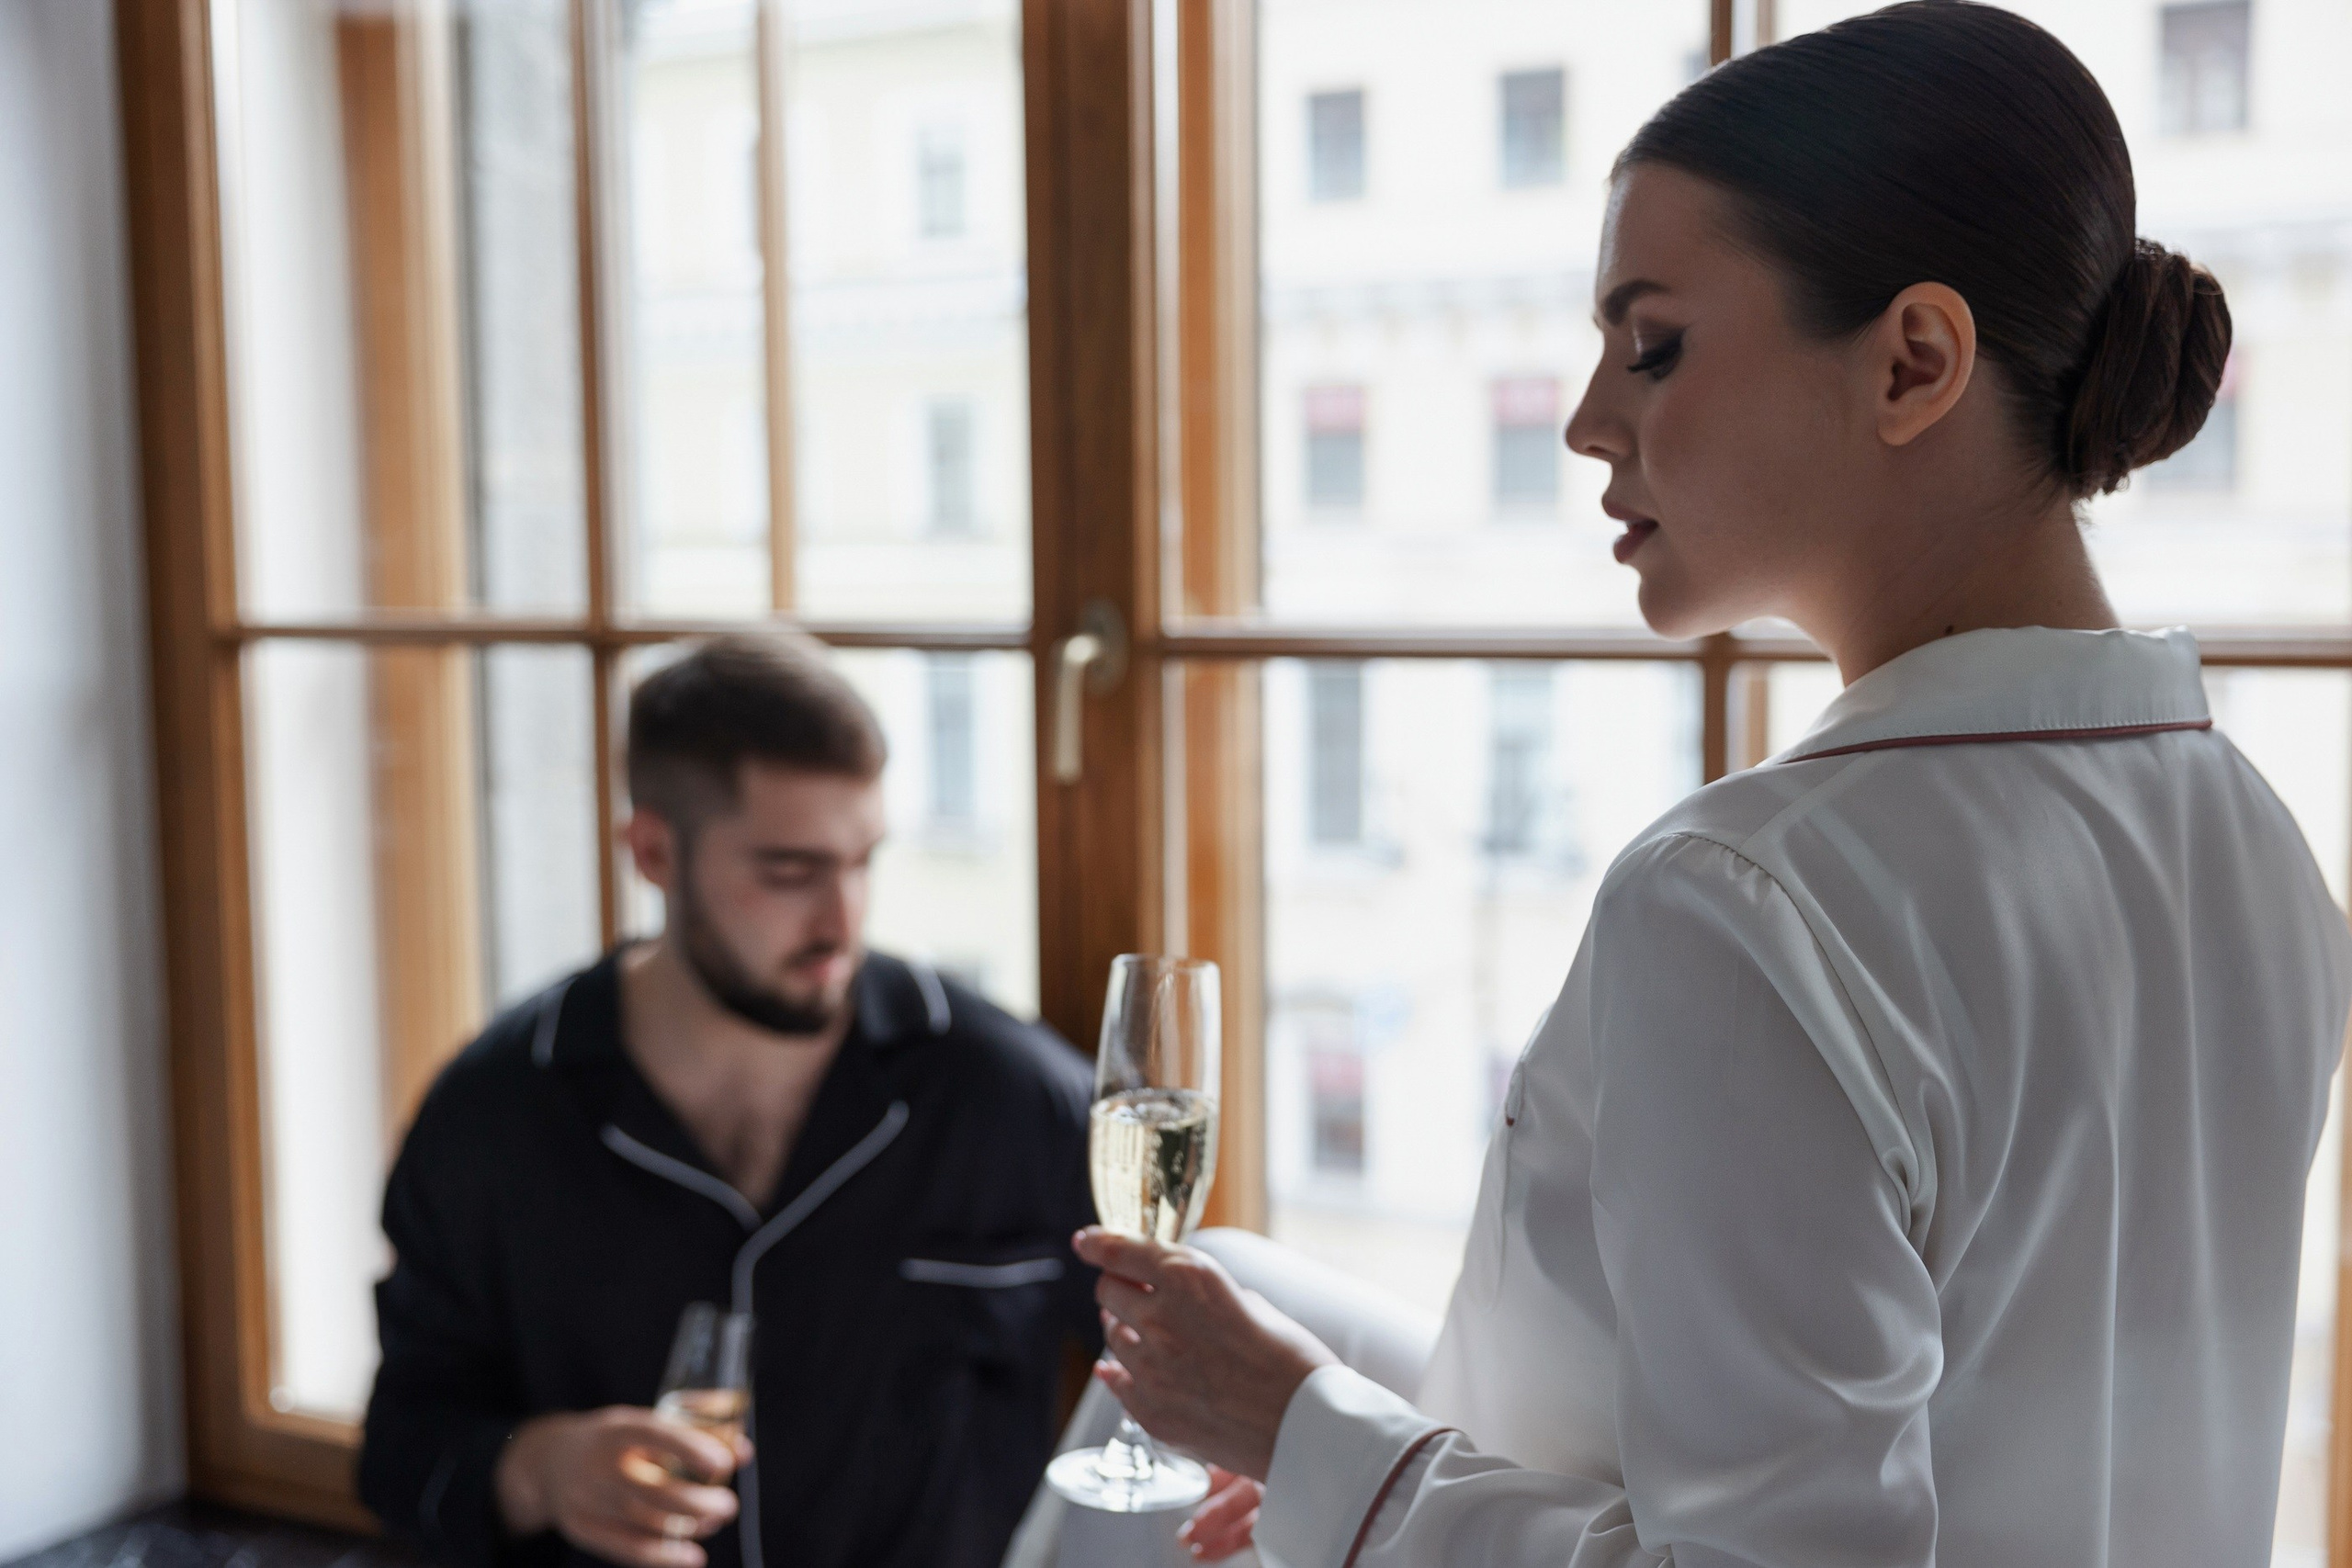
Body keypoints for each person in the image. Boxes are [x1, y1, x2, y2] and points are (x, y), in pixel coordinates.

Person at [1077, 6, 2352, 1565]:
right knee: (1239, 1273)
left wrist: (1313, 1447)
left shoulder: (1751, 902)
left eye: (1652, 342)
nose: (1585, 419)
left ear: (1914, 362)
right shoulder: (2257, 844)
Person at [358, 631, 1100, 1568]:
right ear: (654, 851)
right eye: (789, 872)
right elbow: (399, 1454)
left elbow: (1182, 1399)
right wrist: (541, 1468)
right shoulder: (492, 1114)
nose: (842, 923)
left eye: (863, 860)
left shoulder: (1009, 1096)